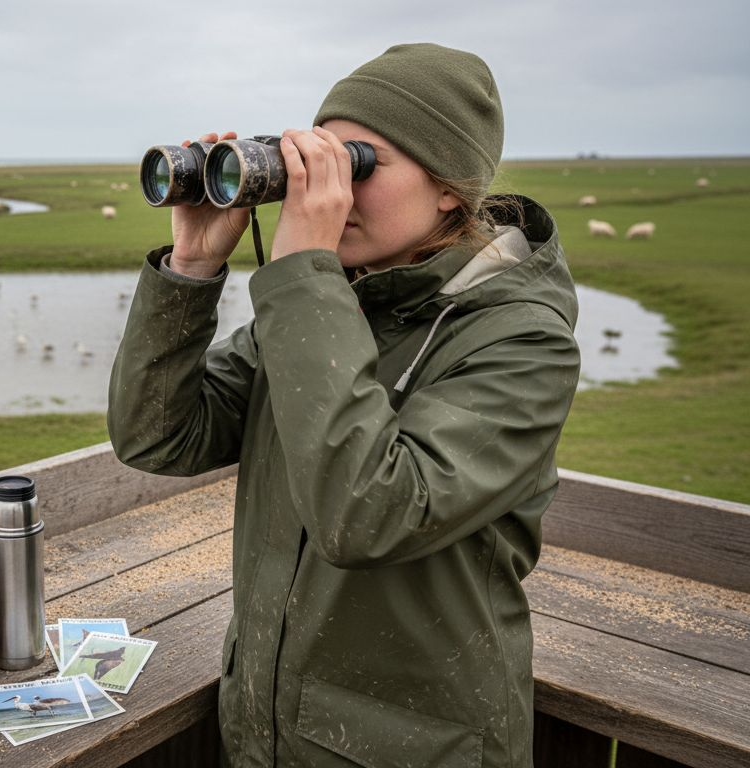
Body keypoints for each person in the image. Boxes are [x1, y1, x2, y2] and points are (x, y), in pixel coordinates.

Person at [107, 43, 580, 767]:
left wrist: (304, 274)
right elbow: (160, 438)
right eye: (318, 160)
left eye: (357, 164)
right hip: (268, 735)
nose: (327, 190)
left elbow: (367, 515)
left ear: (450, 187)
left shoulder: (520, 342)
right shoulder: (332, 305)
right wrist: (193, 267)